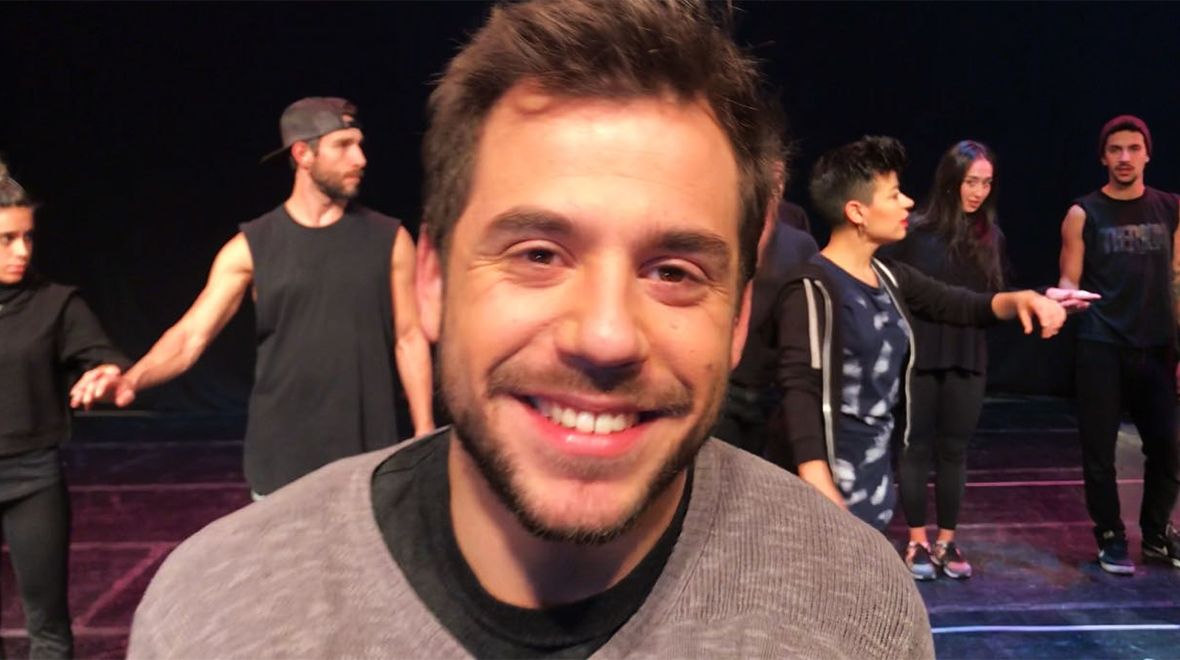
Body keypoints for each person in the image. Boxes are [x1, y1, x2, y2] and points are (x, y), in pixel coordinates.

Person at [127, 2, 935, 657]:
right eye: (539, 254)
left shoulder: (857, 610)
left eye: (674, 272)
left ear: (737, 320)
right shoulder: (216, 620)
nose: (607, 336)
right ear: (433, 281)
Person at [71, 97, 435, 497]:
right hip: (282, 458)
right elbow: (191, 336)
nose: (360, 159)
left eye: (360, 145)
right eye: (343, 146)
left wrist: (423, 430)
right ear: (303, 154)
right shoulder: (250, 247)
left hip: (366, 456)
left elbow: (409, 337)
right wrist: (131, 380)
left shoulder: (389, 239)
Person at [765, 136, 1079, 535]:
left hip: (872, 487)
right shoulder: (812, 286)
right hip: (824, 497)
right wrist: (819, 486)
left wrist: (1027, 299)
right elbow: (800, 391)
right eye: (894, 195)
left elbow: (963, 304)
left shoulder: (889, 277)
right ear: (857, 211)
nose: (908, 203)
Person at [0, 160, 130, 658]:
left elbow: (102, 356)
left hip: (32, 477)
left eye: (27, 237)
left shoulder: (55, 303)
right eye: (7, 239)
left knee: (49, 629)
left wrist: (108, 373)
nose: (22, 251)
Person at [1057, 114, 1180, 574]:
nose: (1124, 157)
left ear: (1148, 154)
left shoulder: (1171, 208)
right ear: (1103, 158)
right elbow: (1069, 277)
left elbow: (1178, 278)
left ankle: (1156, 534)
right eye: (1115, 150)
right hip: (1101, 344)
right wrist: (1065, 299)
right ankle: (1110, 535)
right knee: (1099, 451)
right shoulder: (1083, 213)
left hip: (1157, 346)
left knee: (1167, 449)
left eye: (1133, 149)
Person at [881, 140, 1005, 580]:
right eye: (971, 182)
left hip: (968, 358)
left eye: (986, 183)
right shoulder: (916, 232)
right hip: (921, 356)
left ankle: (946, 541)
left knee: (954, 451)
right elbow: (891, 288)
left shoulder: (990, 237)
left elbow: (990, 301)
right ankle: (917, 539)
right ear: (951, 181)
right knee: (915, 446)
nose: (978, 192)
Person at [716, 162, 819, 454]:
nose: (774, 185)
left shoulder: (799, 243)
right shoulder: (723, 229)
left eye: (780, 178)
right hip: (724, 388)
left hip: (769, 392)